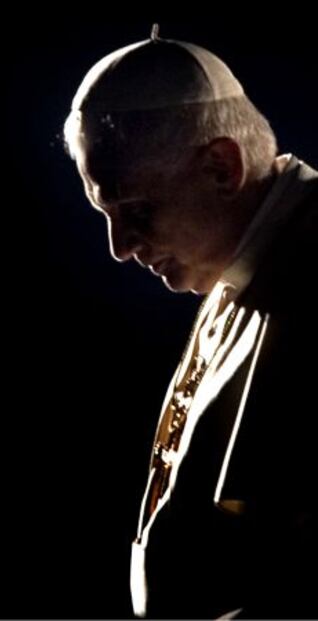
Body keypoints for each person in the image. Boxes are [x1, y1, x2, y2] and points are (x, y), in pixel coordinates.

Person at [63, 26, 318, 619]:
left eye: (134, 210)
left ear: (222, 168)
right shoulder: (244, 265)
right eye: (105, 214)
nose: (119, 247)